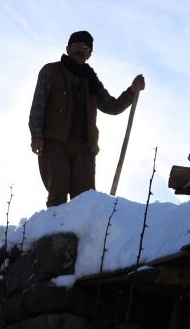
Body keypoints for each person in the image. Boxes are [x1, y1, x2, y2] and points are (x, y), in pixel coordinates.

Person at [29, 30, 146, 207]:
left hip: (85, 147)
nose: (80, 50)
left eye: (85, 48)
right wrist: (36, 135)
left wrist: (131, 91)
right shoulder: (50, 71)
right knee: (57, 195)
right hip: (54, 142)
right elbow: (38, 105)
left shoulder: (91, 81)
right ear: (68, 49)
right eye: (76, 46)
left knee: (84, 201)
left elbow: (111, 106)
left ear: (89, 54)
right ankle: (54, 234)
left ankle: (77, 235)